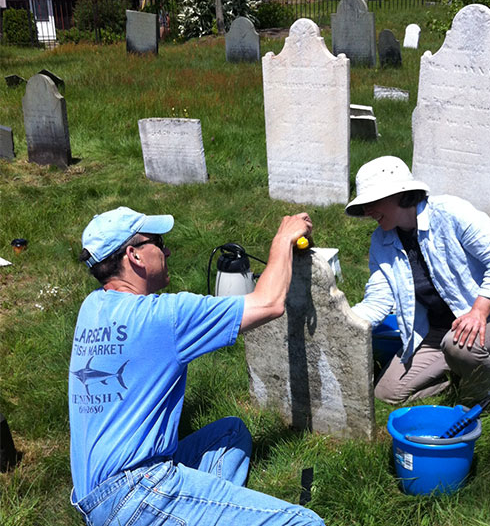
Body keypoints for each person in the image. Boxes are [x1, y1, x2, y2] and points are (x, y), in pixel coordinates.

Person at [68, 206, 324, 526]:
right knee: (305, 522)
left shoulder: (92, 307)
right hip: (136, 492)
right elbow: (269, 303)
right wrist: (283, 238)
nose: (168, 250)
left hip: (93, 494)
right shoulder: (164, 317)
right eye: (158, 243)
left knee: (231, 433)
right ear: (133, 255)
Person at [346, 156, 490, 406]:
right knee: (387, 394)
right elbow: (378, 300)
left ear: (399, 195)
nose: (367, 211)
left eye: (372, 201)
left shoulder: (451, 212)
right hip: (437, 331)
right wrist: (342, 324)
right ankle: (467, 373)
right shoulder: (381, 241)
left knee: (459, 344)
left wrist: (478, 311)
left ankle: (479, 403)